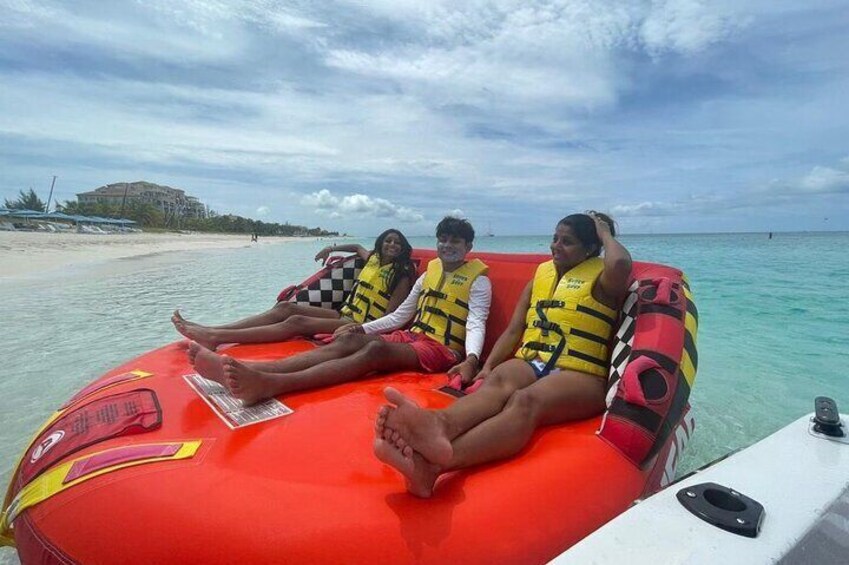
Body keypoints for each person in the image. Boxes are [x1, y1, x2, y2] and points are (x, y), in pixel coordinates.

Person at [373, 212, 632, 498]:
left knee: (526, 400)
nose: (555, 246)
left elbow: (620, 262)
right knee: (497, 381)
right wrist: (488, 366)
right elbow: (513, 330)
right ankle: (438, 426)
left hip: (582, 373)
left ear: (590, 248)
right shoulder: (542, 275)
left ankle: (441, 462)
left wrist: (605, 233)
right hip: (536, 360)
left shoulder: (605, 279)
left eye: (567, 242)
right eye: (555, 239)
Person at [187, 217, 492, 405]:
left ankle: (271, 384)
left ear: (468, 246)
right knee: (349, 340)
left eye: (455, 241)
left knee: (374, 351)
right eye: (443, 239)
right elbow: (400, 317)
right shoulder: (429, 274)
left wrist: (472, 360)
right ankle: (260, 372)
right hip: (413, 336)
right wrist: (361, 328)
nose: (447, 245)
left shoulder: (479, 282)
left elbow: (476, 323)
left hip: (442, 350)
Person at [172, 229, 416, 350]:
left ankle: (216, 338)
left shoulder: (401, 275)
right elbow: (356, 245)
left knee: (297, 320)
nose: (392, 245)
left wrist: (358, 329)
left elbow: (390, 318)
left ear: (403, 247)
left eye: (397, 242)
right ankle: (211, 329)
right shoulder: (372, 258)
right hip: (345, 312)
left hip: (359, 323)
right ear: (381, 244)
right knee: (286, 307)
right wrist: (330, 249)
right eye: (388, 241)